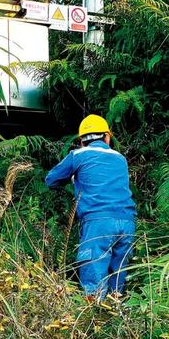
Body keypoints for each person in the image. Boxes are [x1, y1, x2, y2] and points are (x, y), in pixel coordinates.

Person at [45, 114, 136, 302]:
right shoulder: (120, 158)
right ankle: (115, 321)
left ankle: (92, 323)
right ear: (107, 137)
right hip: (127, 222)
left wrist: (73, 179)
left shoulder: (78, 155)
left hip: (98, 224)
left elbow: (51, 180)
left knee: (94, 283)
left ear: (82, 141)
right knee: (117, 284)